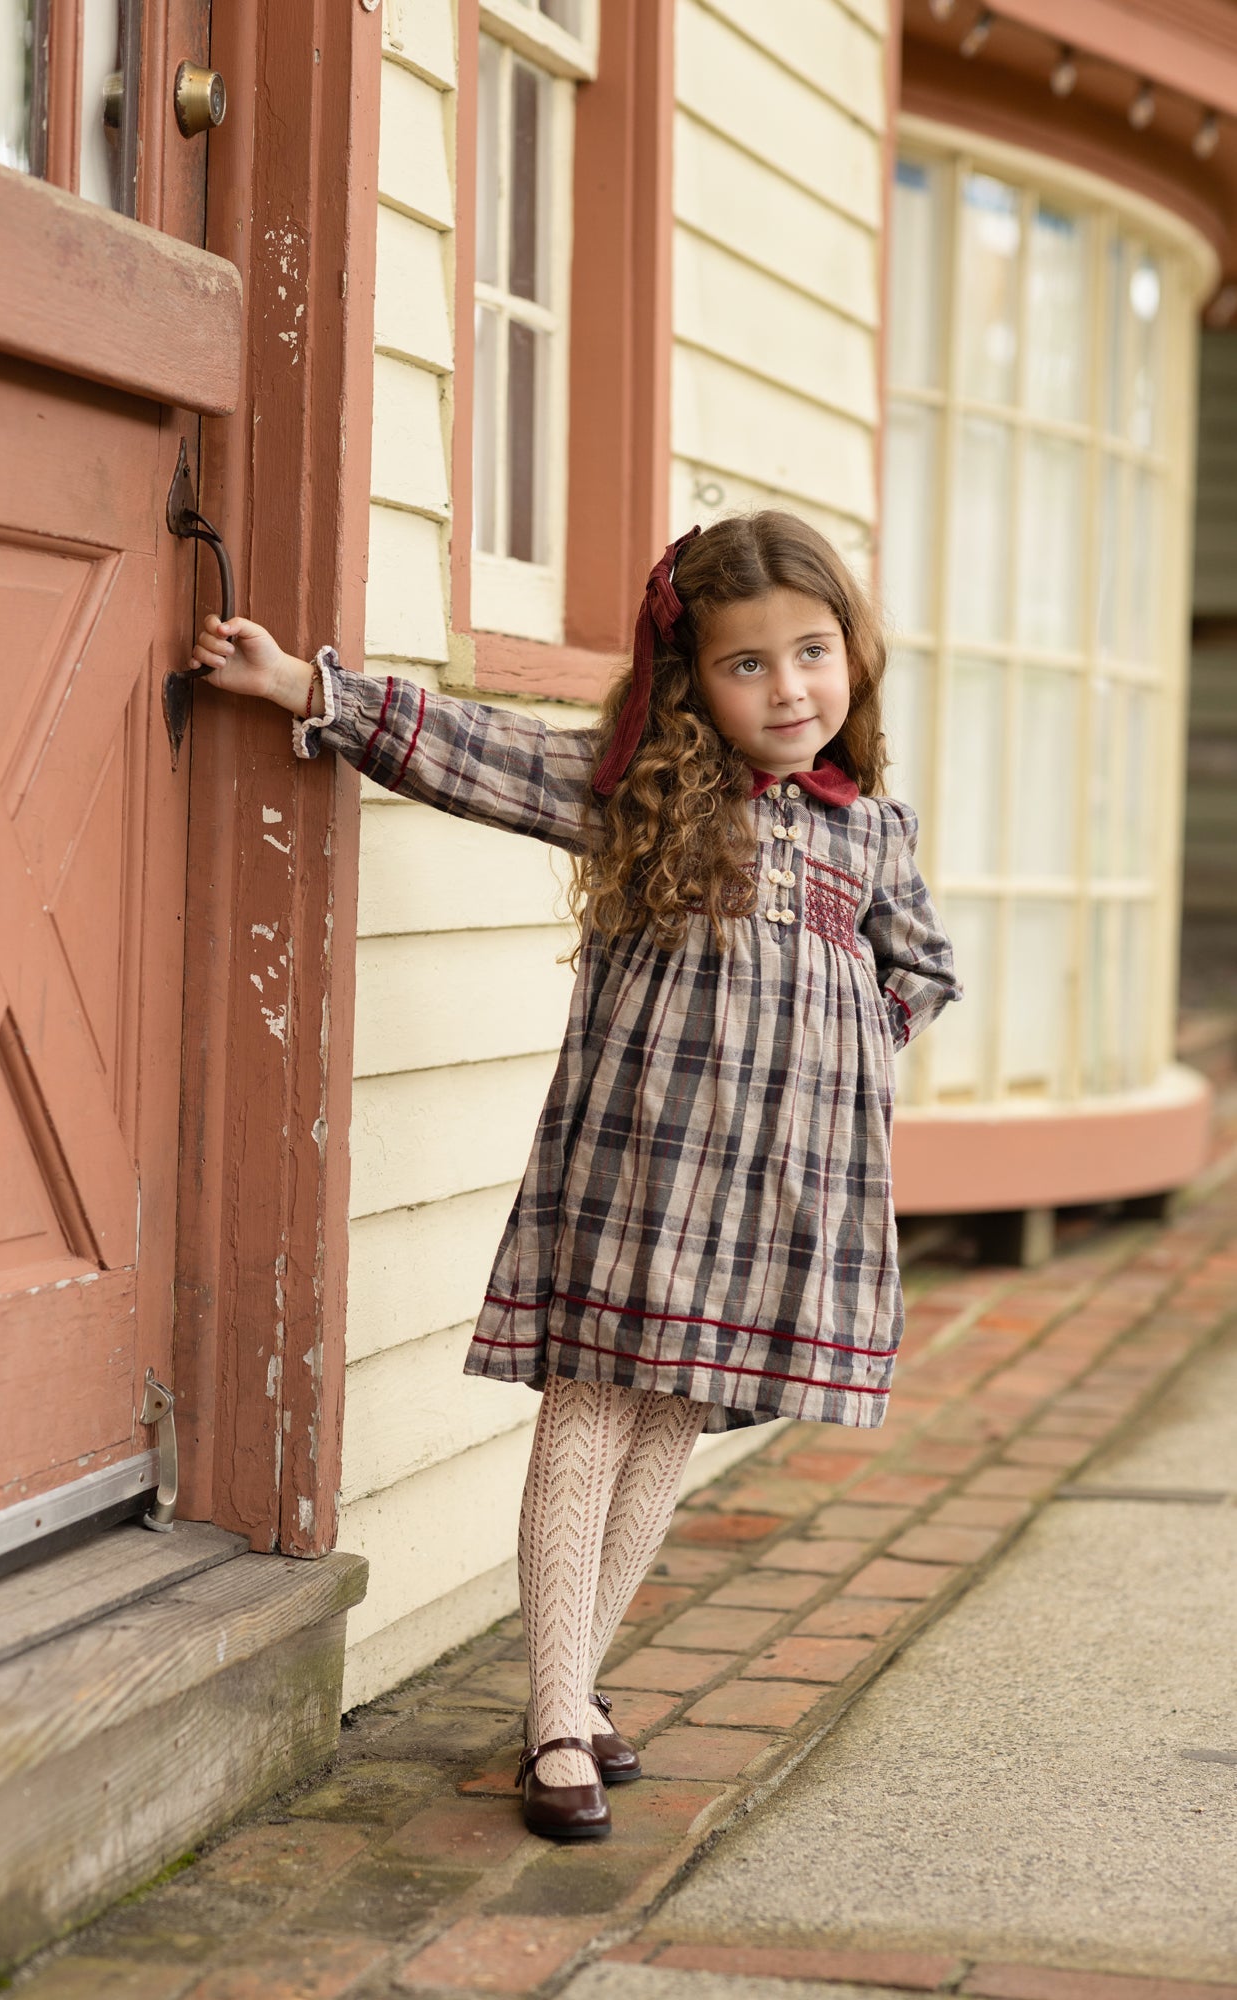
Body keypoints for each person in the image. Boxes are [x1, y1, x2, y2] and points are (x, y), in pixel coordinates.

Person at [191, 510, 960, 1843]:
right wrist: (308, 688)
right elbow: (468, 752)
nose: (788, 691)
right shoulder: (645, 794)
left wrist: (841, 1051)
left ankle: (578, 1686)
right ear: (690, 683)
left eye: (813, 655)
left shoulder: (868, 830)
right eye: (747, 666)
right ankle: (553, 1718)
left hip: (777, 1189)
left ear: (854, 659)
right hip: (638, 1166)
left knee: (672, 1420)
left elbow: (922, 968)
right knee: (594, 1405)